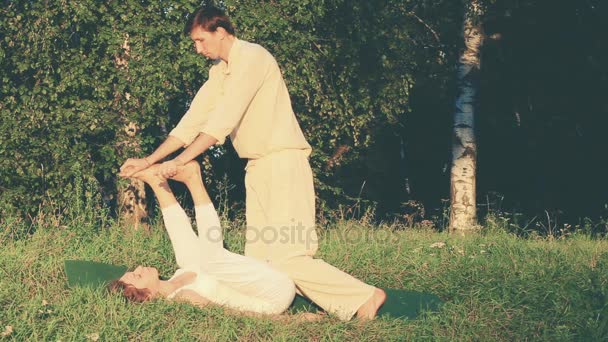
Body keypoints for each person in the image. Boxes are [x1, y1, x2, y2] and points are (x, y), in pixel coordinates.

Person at [119, 5, 386, 320]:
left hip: (284, 161)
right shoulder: (220, 72)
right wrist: (149, 160)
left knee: (289, 254)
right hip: (257, 168)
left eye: (201, 40)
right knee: (258, 260)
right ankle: (295, 308)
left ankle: (365, 297)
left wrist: (179, 162)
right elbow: (193, 121)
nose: (198, 49)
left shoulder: (254, 58)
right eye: (194, 43)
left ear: (221, 32)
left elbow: (221, 122)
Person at [110, 161, 296, 316]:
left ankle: (157, 183)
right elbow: (233, 314)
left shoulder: (178, 275)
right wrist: (294, 321)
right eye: (137, 275)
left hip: (264, 282)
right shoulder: (183, 298)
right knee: (209, 262)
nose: (139, 267)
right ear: (146, 295)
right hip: (273, 297)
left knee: (187, 260)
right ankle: (194, 180)